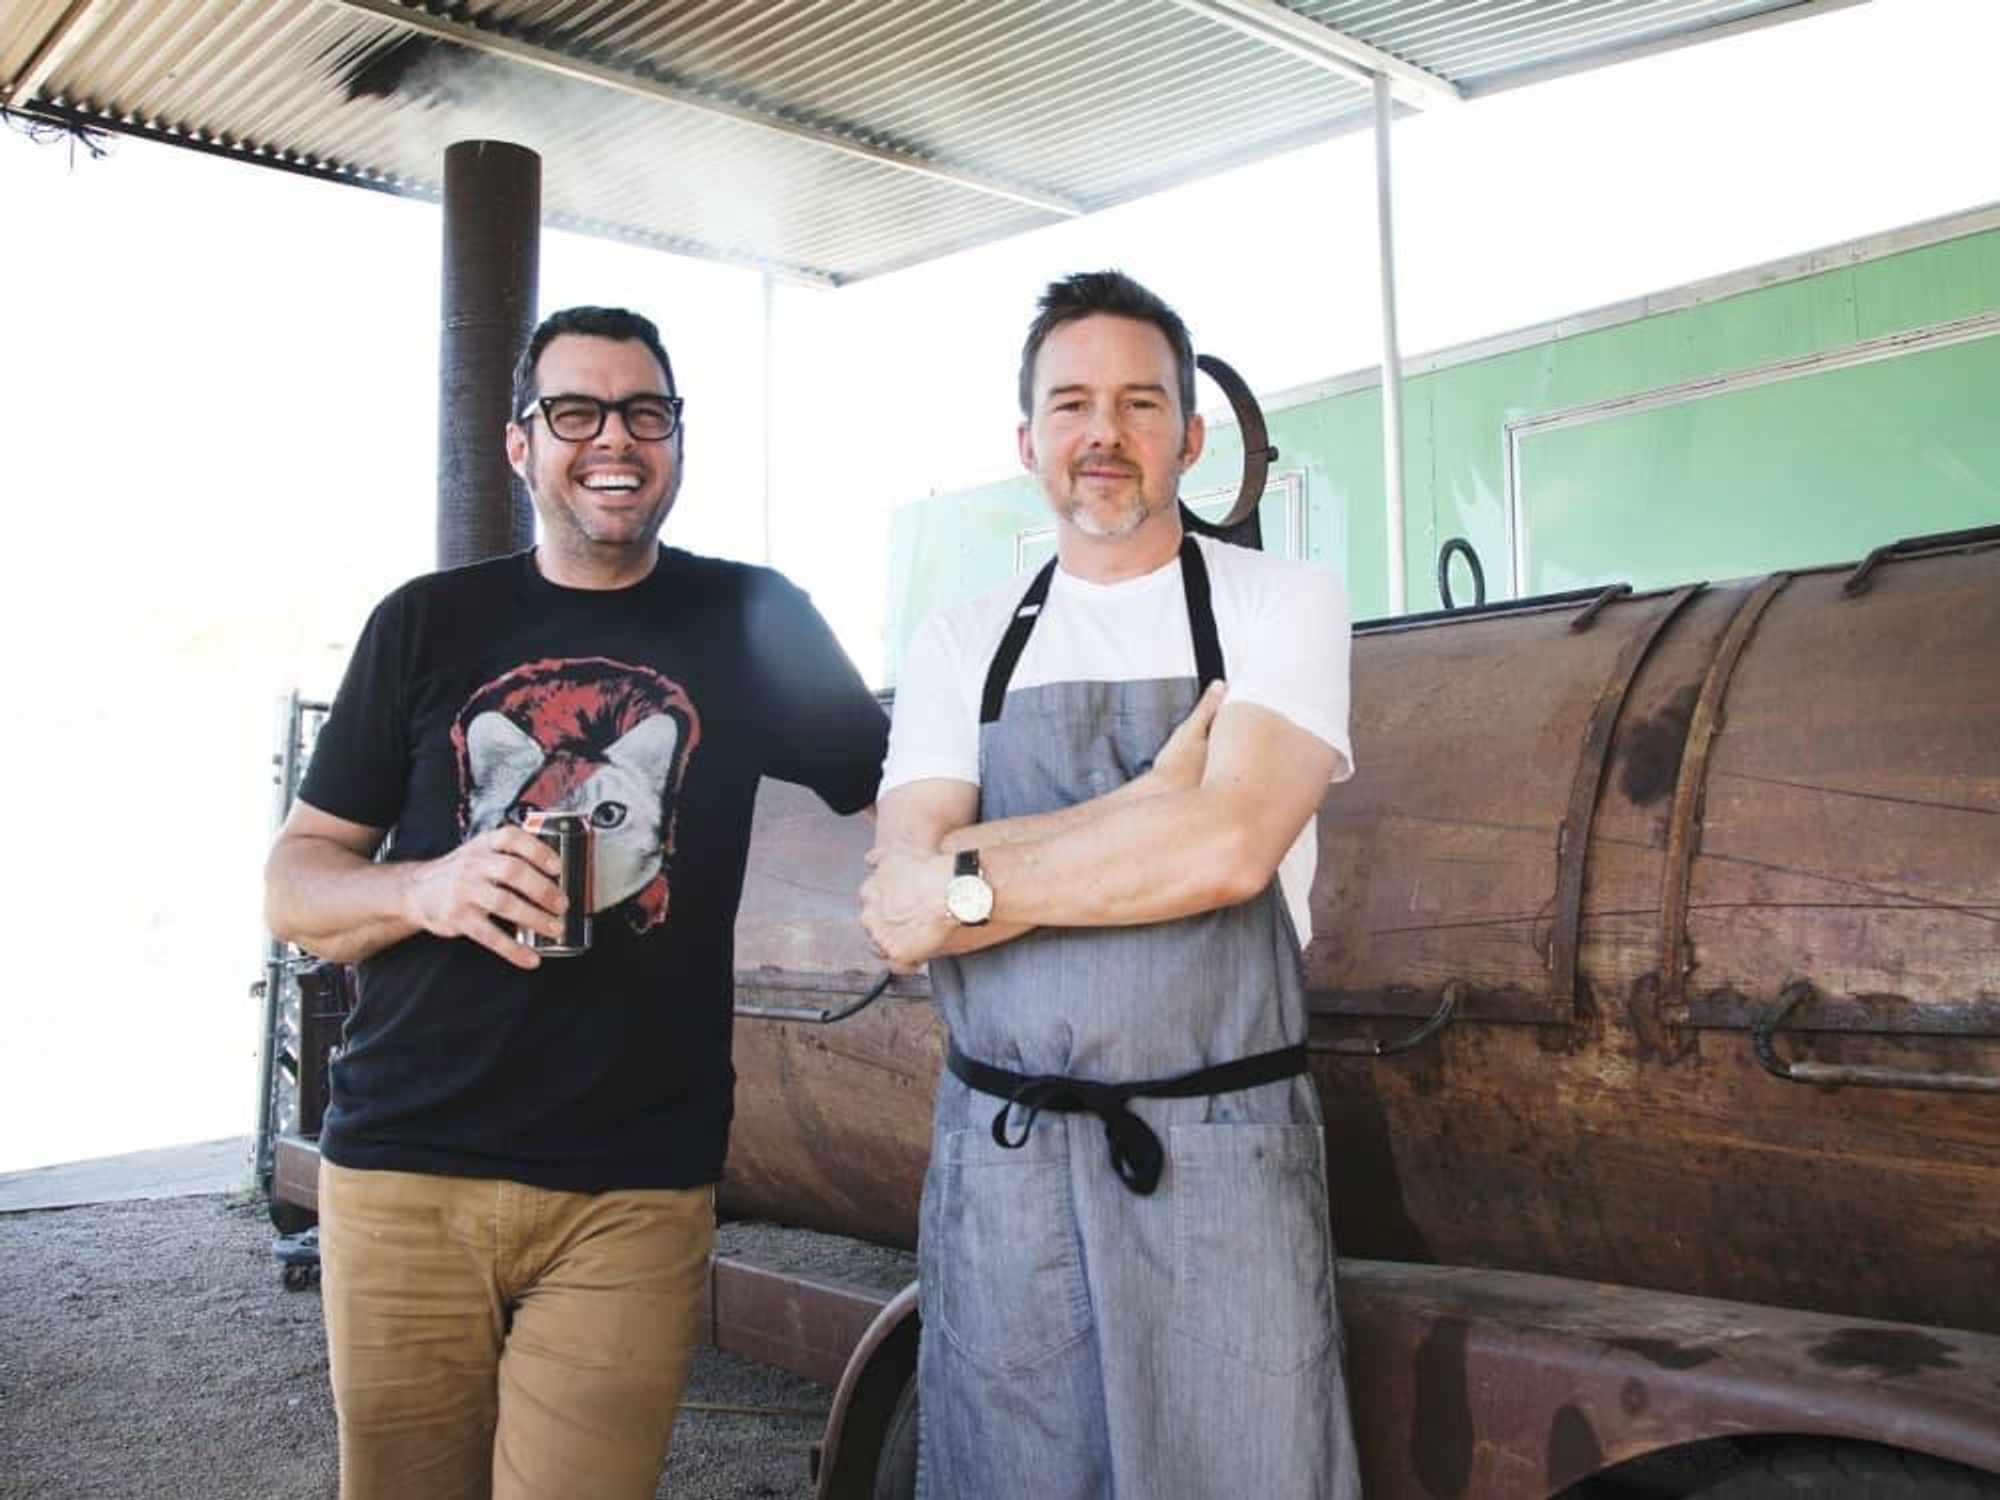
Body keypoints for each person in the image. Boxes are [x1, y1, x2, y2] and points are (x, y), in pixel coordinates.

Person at [264, 305, 887, 1500]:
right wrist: (431, 886)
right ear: (520, 444)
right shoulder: (424, 622)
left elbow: (906, 793)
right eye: (576, 412)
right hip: (405, 1167)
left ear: (677, 438)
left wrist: (1085, 833)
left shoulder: (753, 617)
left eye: (645, 413)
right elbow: (296, 881)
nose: (615, 439)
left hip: (631, 1184)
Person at [860, 271, 1363, 1498]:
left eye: (1140, 404)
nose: (1104, 433)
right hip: (1006, 1167)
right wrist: (1143, 810)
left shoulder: (1279, 602)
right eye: (1071, 404)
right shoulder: (961, 639)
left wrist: (974, 879)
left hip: (1219, 1159)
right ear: (1026, 440)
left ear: (1188, 438)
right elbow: (899, 910)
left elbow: (1225, 852)